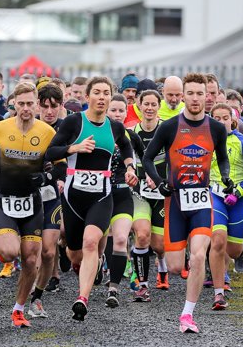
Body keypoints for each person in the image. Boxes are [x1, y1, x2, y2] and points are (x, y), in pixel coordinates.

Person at [142, 73, 231, 333]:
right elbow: (148, 159)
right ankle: (178, 274)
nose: (194, 98)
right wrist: (159, 183)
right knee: (175, 266)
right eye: (189, 93)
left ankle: (187, 315)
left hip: (202, 199)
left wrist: (225, 176)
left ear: (207, 96)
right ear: (183, 96)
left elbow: (223, 158)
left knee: (199, 254)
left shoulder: (215, 127)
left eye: (199, 94)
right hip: (176, 201)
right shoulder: (169, 126)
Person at [45, 78, 136, 320]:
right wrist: (73, 148)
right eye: (97, 92)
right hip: (73, 198)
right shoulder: (74, 122)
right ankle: (85, 266)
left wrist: (130, 168)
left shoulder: (115, 127)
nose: (102, 97)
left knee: (91, 243)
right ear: (88, 97)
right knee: (76, 253)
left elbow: (127, 148)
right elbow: (51, 151)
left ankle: (82, 299)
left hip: (102, 196)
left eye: (106, 93)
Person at [0, 82, 57, 328]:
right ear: (13, 104)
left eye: (29, 104)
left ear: (37, 105)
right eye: (21, 104)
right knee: (10, 253)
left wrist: (46, 177)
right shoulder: (0, 129)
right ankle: (2, 249)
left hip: (33, 204)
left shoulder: (47, 132)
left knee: (32, 260)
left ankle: (19, 309)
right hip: (5, 202)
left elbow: (60, 164)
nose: (25, 108)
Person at [208, 103, 243, 310]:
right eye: (216, 118)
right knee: (217, 240)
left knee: (234, 250)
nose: (221, 122)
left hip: (239, 198)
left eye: (224, 118)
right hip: (215, 196)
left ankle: (226, 269)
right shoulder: (205, 142)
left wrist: (239, 192)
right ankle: (219, 293)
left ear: (232, 120)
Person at [26, 83, 67, 316]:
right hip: (30, 196)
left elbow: (65, 164)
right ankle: (33, 295)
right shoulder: (31, 128)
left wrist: (52, 177)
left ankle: (40, 290)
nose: (49, 111)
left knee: (50, 251)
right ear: (38, 106)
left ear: (61, 107)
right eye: (45, 106)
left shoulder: (65, 129)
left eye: (54, 107)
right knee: (35, 250)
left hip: (56, 195)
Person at [103, 94, 144, 307]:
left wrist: (141, 177)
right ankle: (103, 264)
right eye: (113, 110)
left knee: (120, 238)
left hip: (123, 195)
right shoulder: (97, 134)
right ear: (106, 111)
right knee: (102, 240)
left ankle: (114, 288)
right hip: (99, 195)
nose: (117, 114)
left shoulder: (130, 136)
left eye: (121, 110)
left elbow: (144, 159)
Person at [131, 89, 169, 295]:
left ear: (158, 106)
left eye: (154, 104)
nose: (149, 108)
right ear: (139, 105)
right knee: (143, 235)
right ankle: (142, 286)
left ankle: (162, 267)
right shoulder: (132, 133)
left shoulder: (167, 130)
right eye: (146, 104)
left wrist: (161, 180)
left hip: (162, 194)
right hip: (140, 194)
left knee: (159, 245)